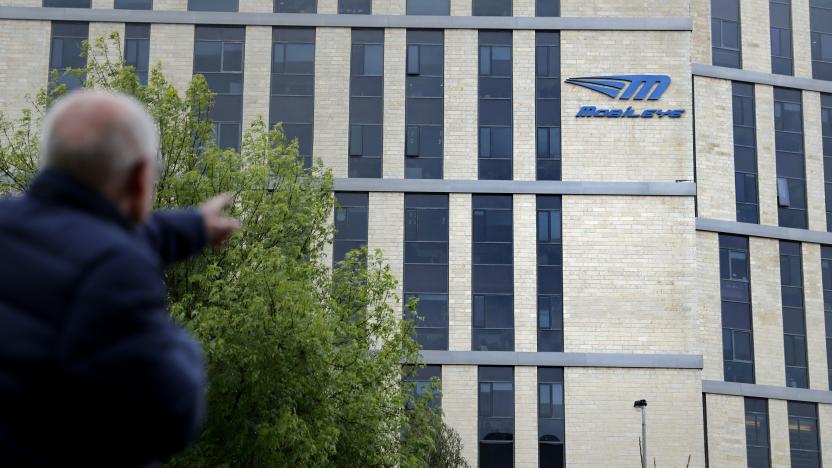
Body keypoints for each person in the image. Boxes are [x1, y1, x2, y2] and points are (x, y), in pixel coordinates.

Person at [0, 90, 240, 466]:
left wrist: (193, 228)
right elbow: (172, 413)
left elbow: (81, 239)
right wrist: (174, 336)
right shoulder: (115, 272)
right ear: (140, 178)